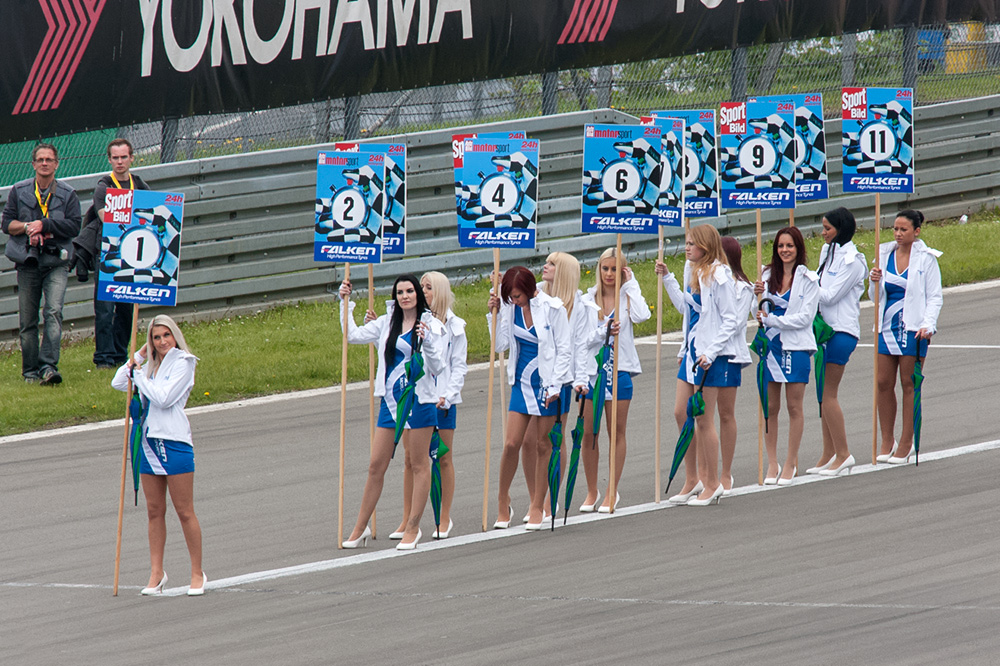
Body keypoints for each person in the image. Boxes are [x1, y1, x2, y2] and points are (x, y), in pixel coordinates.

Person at [339, 275, 446, 550]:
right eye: (400, 292)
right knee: (376, 465)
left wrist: (429, 342)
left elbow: (438, 366)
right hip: (390, 403)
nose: (405, 296)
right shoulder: (387, 321)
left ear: (417, 295)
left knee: (419, 464)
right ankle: (360, 528)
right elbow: (352, 335)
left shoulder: (430, 323)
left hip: (419, 401)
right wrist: (345, 303)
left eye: (410, 291)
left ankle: (413, 528)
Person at [111, 315, 205, 596]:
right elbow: (118, 382)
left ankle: (197, 573)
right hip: (145, 443)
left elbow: (164, 398)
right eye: (155, 337)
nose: (162, 341)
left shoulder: (184, 362)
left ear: (175, 335)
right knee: (154, 511)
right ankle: (157, 573)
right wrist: (138, 357)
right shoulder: (149, 363)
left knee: (184, 511)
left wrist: (138, 375)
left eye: (166, 335)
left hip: (174, 442)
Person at [656, 225, 740, 506]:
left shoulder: (720, 274)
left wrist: (712, 351)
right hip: (691, 353)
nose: (687, 247)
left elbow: (730, 319)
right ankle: (692, 479)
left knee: (704, 420)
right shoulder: (690, 269)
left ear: (706, 245)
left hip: (710, 356)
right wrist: (668, 278)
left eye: (692, 243)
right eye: (687, 243)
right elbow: (686, 308)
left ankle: (713, 482)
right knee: (681, 412)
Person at [488, 266, 572, 530]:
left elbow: (564, 351)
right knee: (512, 443)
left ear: (529, 289)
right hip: (521, 383)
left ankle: (538, 504)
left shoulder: (552, 308)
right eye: (510, 296)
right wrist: (495, 314)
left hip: (549, 383)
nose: (515, 300)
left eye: (518, 295)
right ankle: (503, 500)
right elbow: (500, 345)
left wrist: (555, 385)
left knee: (543, 445)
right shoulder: (509, 308)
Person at [389, 272, 467, 540]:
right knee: (411, 460)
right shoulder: (417, 321)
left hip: (444, 400)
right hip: (419, 399)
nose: (422, 291)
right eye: (421, 287)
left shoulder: (456, 326)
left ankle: (444, 517)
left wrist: (448, 394)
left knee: (443, 457)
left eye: (428, 287)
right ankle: (407, 518)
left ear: (441, 291)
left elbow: (458, 366)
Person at [1, 143, 81, 385]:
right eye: (40, 159)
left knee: (54, 312)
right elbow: (6, 224)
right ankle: (30, 372)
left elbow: (75, 225)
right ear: (33, 164)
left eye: (49, 159)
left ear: (57, 164)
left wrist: (45, 225)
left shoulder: (68, 193)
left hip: (56, 262)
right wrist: (28, 228)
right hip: (28, 262)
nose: (45, 163)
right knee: (27, 320)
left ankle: (48, 367)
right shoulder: (19, 190)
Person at [869, 209, 943, 464]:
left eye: (904, 230)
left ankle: (906, 441)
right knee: (882, 382)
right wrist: (873, 281)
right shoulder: (884, 253)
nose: (898, 234)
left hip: (913, 328)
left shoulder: (927, 259)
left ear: (916, 232)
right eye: (896, 229)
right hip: (886, 326)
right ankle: (886, 439)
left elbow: (934, 296)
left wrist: (928, 324)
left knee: (908, 382)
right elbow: (874, 297)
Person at [579, 248, 650, 512]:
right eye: (605, 269)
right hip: (592, 372)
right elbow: (582, 340)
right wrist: (602, 331)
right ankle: (591, 490)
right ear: (598, 270)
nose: (609, 274)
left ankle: (612, 491)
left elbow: (643, 316)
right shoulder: (588, 299)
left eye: (614, 269)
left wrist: (631, 284)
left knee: (615, 432)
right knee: (589, 433)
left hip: (620, 370)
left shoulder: (627, 296)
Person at [72, 138, 150, 369]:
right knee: (105, 310)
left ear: (132, 158)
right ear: (109, 159)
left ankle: (119, 355)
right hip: (107, 253)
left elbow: (153, 213)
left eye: (124, 157)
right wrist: (137, 215)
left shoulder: (140, 184)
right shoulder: (103, 186)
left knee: (126, 310)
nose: (119, 161)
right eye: (115, 157)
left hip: (132, 255)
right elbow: (107, 217)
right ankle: (103, 358)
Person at [525, 251, 590, 521]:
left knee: (554, 439)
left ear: (563, 271)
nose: (545, 266)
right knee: (528, 441)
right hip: (533, 377)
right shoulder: (537, 296)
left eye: (551, 264)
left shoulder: (581, 305)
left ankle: (550, 498)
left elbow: (580, 346)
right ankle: (535, 499)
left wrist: (581, 379)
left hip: (561, 380)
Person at [753, 226, 820, 486]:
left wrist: (774, 321)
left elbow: (805, 318)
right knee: (769, 408)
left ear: (798, 248)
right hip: (770, 347)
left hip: (797, 347)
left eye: (789, 246)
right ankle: (772, 461)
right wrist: (755, 296)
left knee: (794, 406)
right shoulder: (766, 275)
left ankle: (791, 461)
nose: (784, 250)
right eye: (781, 246)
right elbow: (757, 313)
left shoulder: (809, 279)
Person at [806, 207, 866, 476]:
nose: (823, 233)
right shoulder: (827, 251)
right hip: (822, 332)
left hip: (841, 332)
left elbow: (829, 296)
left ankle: (844, 454)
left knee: (829, 395)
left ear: (840, 229)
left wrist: (805, 281)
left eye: (827, 229)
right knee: (822, 395)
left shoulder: (854, 262)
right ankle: (828, 452)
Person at [719, 236, 755, 495]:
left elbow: (737, 322)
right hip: (704, 354)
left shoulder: (742, 287)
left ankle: (725, 473)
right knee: (699, 416)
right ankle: (704, 473)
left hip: (729, 354)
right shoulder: (707, 279)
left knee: (725, 413)